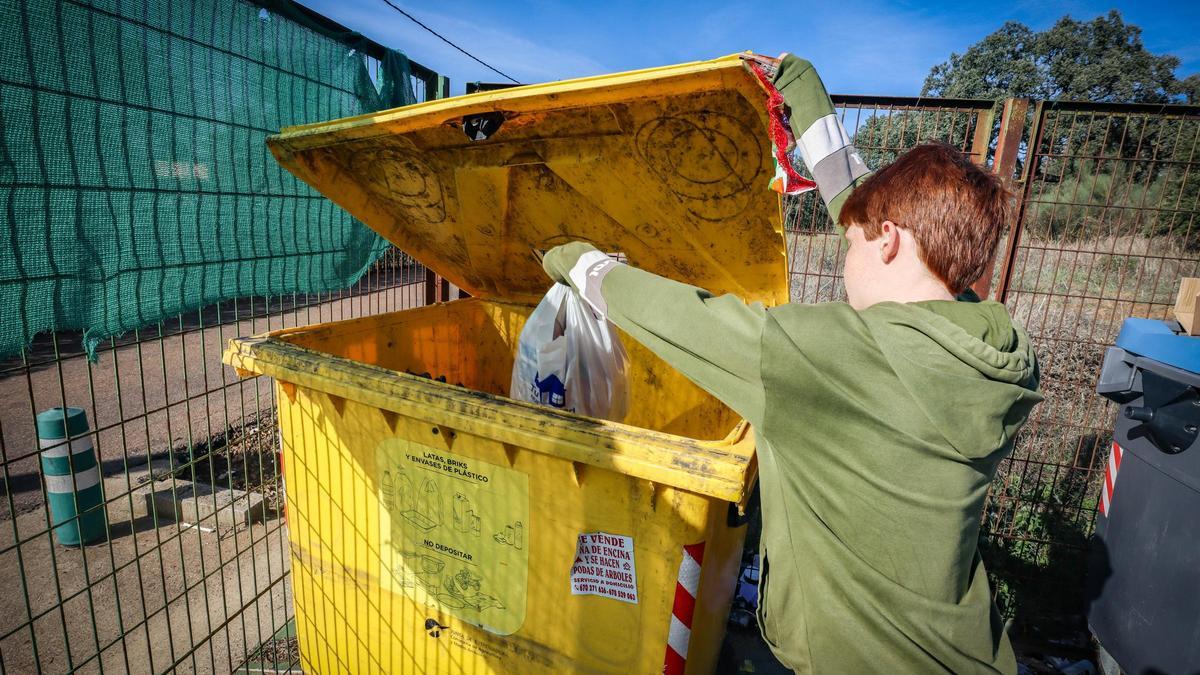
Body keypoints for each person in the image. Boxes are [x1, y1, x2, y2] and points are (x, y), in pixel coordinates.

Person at [540, 54, 1042, 673]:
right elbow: (869, 216)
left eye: (854, 239)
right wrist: (803, 96)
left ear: (887, 239)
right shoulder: (997, 354)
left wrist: (573, 259)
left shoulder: (824, 359)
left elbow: (682, 317)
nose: (843, 252)